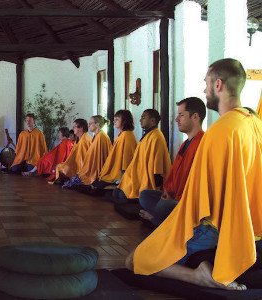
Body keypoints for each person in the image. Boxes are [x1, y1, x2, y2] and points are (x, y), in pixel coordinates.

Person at [127, 58, 261, 291]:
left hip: (217, 227)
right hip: (252, 227)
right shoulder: (255, 124)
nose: (204, 89)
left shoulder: (220, 131)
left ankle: (199, 276)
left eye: (206, 83)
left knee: (135, 260)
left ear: (218, 85)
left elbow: (199, 200)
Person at [139, 97, 206, 226]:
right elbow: (174, 174)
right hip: (174, 197)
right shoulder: (185, 144)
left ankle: (157, 220)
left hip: (186, 202)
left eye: (181, 115)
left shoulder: (202, 144)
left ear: (195, 117)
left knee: (164, 207)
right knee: (145, 195)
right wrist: (167, 192)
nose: (176, 120)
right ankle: (164, 221)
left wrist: (173, 198)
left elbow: (196, 182)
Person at [111, 109, 172, 202]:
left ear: (152, 120)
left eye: (143, 117)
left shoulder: (156, 136)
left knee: (121, 196)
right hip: (139, 176)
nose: (140, 120)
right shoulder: (148, 135)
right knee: (117, 193)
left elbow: (157, 165)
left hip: (148, 179)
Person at [91, 110, 138, 189]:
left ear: (124, 121)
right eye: (114, 119)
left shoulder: (127, 135)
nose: (114, 121)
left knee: (96, 186)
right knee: (95, 183)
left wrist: (122, 177)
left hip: (120, 174)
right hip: (115, 171)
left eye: (117, 119)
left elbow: (127, 158)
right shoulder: (121, 135)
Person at [64, 115, 112, 187]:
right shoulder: (97, 135)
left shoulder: (101, 136)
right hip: (90, 167)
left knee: (78, 180)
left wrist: (87, 170)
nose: (88, 125)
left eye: (90, 123)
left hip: (96, 170)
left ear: (97, 124)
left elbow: (99, 158)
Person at [50, 118, 92, 183]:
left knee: (63, 168)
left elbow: (84, 160)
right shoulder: (79, 138)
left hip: (82, 169)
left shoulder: (85, 140)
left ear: (81, 128)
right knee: (60, 167)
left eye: (74, 127)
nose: (72, 129)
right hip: (76, 164)